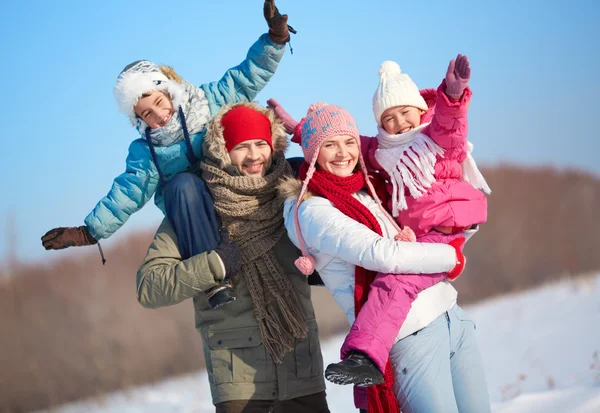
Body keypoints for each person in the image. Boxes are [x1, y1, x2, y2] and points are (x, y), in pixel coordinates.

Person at [40, 0, 292, 309]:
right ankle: (216, 281)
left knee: (284, 165)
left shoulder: (206, 101)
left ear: (169, 91)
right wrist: (88, 232)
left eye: (159, 103)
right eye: (146, 114)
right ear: (138, 119)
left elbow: (245, 77)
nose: (157, 115)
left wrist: (275, 39)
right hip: (193, 211)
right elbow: (126, 193)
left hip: (233, 190)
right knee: (182, 184)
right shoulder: (146, 152)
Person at [280, 102, 491, 412]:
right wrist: (451, 257)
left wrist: (463, 226)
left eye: (349, 141)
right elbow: (382, 255)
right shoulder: (313, 210)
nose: (343, 153)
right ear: (313, 152)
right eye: (330, 144)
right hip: (410, 335)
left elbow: (421, 226)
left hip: (451, 316)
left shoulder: (368, 188)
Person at [137, 101, 330, 413]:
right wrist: (216, 264)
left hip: (302, 374)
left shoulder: (294, 192)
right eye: (241, 146)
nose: (254, 156)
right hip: (239, 385)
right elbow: (149, 287)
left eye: (260, 144)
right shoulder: (197, 207)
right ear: (224, 151)